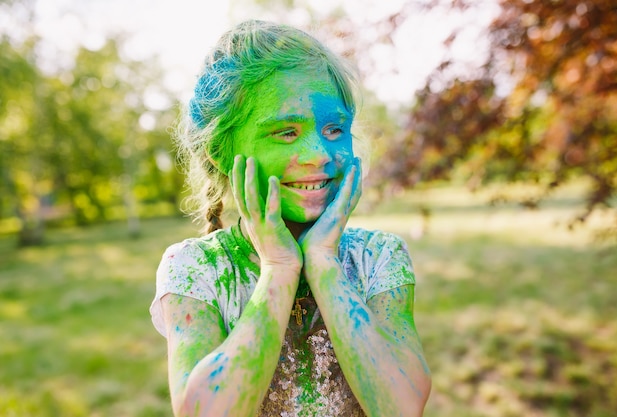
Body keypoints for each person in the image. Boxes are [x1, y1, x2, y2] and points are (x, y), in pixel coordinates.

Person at [149, 20, 431, 417]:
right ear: (221, 154)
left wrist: (323, 261)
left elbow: (401, 406)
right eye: (285, 132)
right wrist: (280, 268)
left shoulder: (379, 256)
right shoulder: (196, 269)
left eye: (334, 128)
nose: (319, 152)